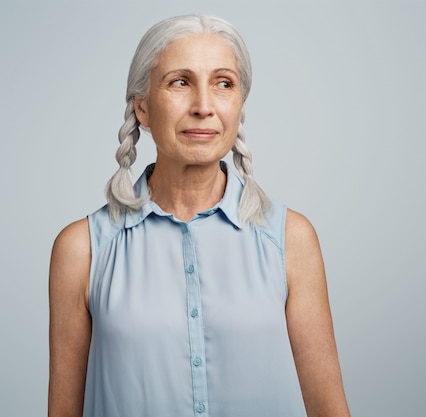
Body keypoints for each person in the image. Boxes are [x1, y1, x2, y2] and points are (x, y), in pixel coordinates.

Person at [48, 14, 351, 417]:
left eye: (223, 84)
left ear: (238, 102)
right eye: (180, 82)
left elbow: (329, 409)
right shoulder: (81, 250)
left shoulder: (291, 239)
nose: (204, 107)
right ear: (142, 107)